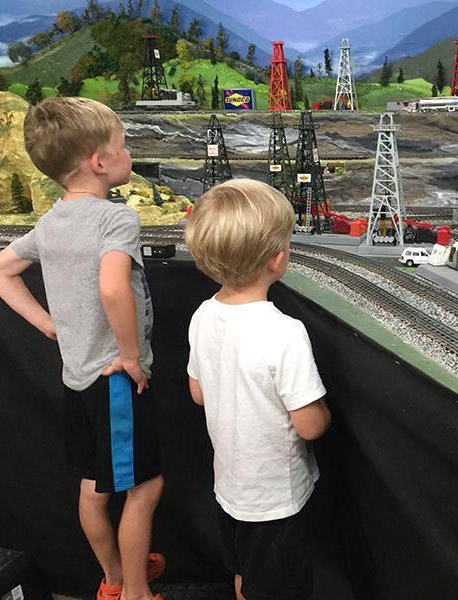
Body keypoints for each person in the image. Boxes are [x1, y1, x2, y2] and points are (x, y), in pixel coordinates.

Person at [0, 97, 165, 600]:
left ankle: (113, 579)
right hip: (116, 382)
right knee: (143, 488)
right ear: (99, 162)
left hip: (77, 381)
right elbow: (113, 288)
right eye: (123, 144)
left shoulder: (51, 221)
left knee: (94, 486)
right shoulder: (115, 220)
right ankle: (136, 594)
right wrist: (130, 357)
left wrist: (48, 323)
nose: (128, 151)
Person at [185, 179, 332, 600]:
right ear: (278, 258)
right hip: (276, 501)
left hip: (230, 490)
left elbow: (198, 394)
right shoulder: (284, 332)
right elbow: (309, 426)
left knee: (245, 575)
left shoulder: (202, 315)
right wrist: (324, 413)